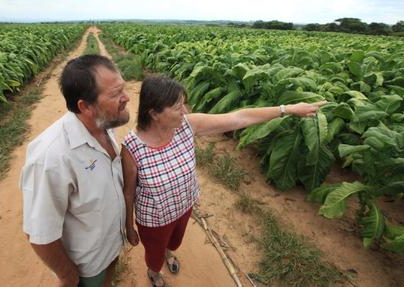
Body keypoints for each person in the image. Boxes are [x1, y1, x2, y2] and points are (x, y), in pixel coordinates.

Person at [121, 75, 326, 287]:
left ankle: (168, 252)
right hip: (154, 219)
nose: (186, 112)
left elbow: (238, 117)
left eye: (184, 104)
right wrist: (129, 225)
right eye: (177, 107)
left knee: (173, 240)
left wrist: (288, 109)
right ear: (154, 114)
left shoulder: (187, 125)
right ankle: (154, 272)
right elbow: (128, 192)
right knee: (154, 252)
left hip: (183, 207)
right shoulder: (132, 147)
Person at [20, 54, 130, 287]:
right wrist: (68, 276)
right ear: (85, 107)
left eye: (123, 88)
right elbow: (40, 233)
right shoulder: (51, 157)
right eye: (115, 94)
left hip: (109, 247)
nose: (126, 98)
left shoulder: (103, 124)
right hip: (86, 266)